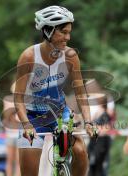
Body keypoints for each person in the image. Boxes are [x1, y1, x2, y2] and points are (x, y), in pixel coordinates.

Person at [14, 5, 95, 176]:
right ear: (48, 31)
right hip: (32, 116)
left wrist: (88, 121)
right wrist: (27, 125)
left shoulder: (70, 55)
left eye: (69, 32)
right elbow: (18, 98)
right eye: (63, 32)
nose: (68, 37)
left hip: (60, 113)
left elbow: (80, 92)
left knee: (80, 151)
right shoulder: (28, 57)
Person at [2, 83, 21, 176]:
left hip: (21, 133)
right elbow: (7, 115)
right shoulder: (7, 98)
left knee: (19, 160)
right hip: (10, 132)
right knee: (9, 159)